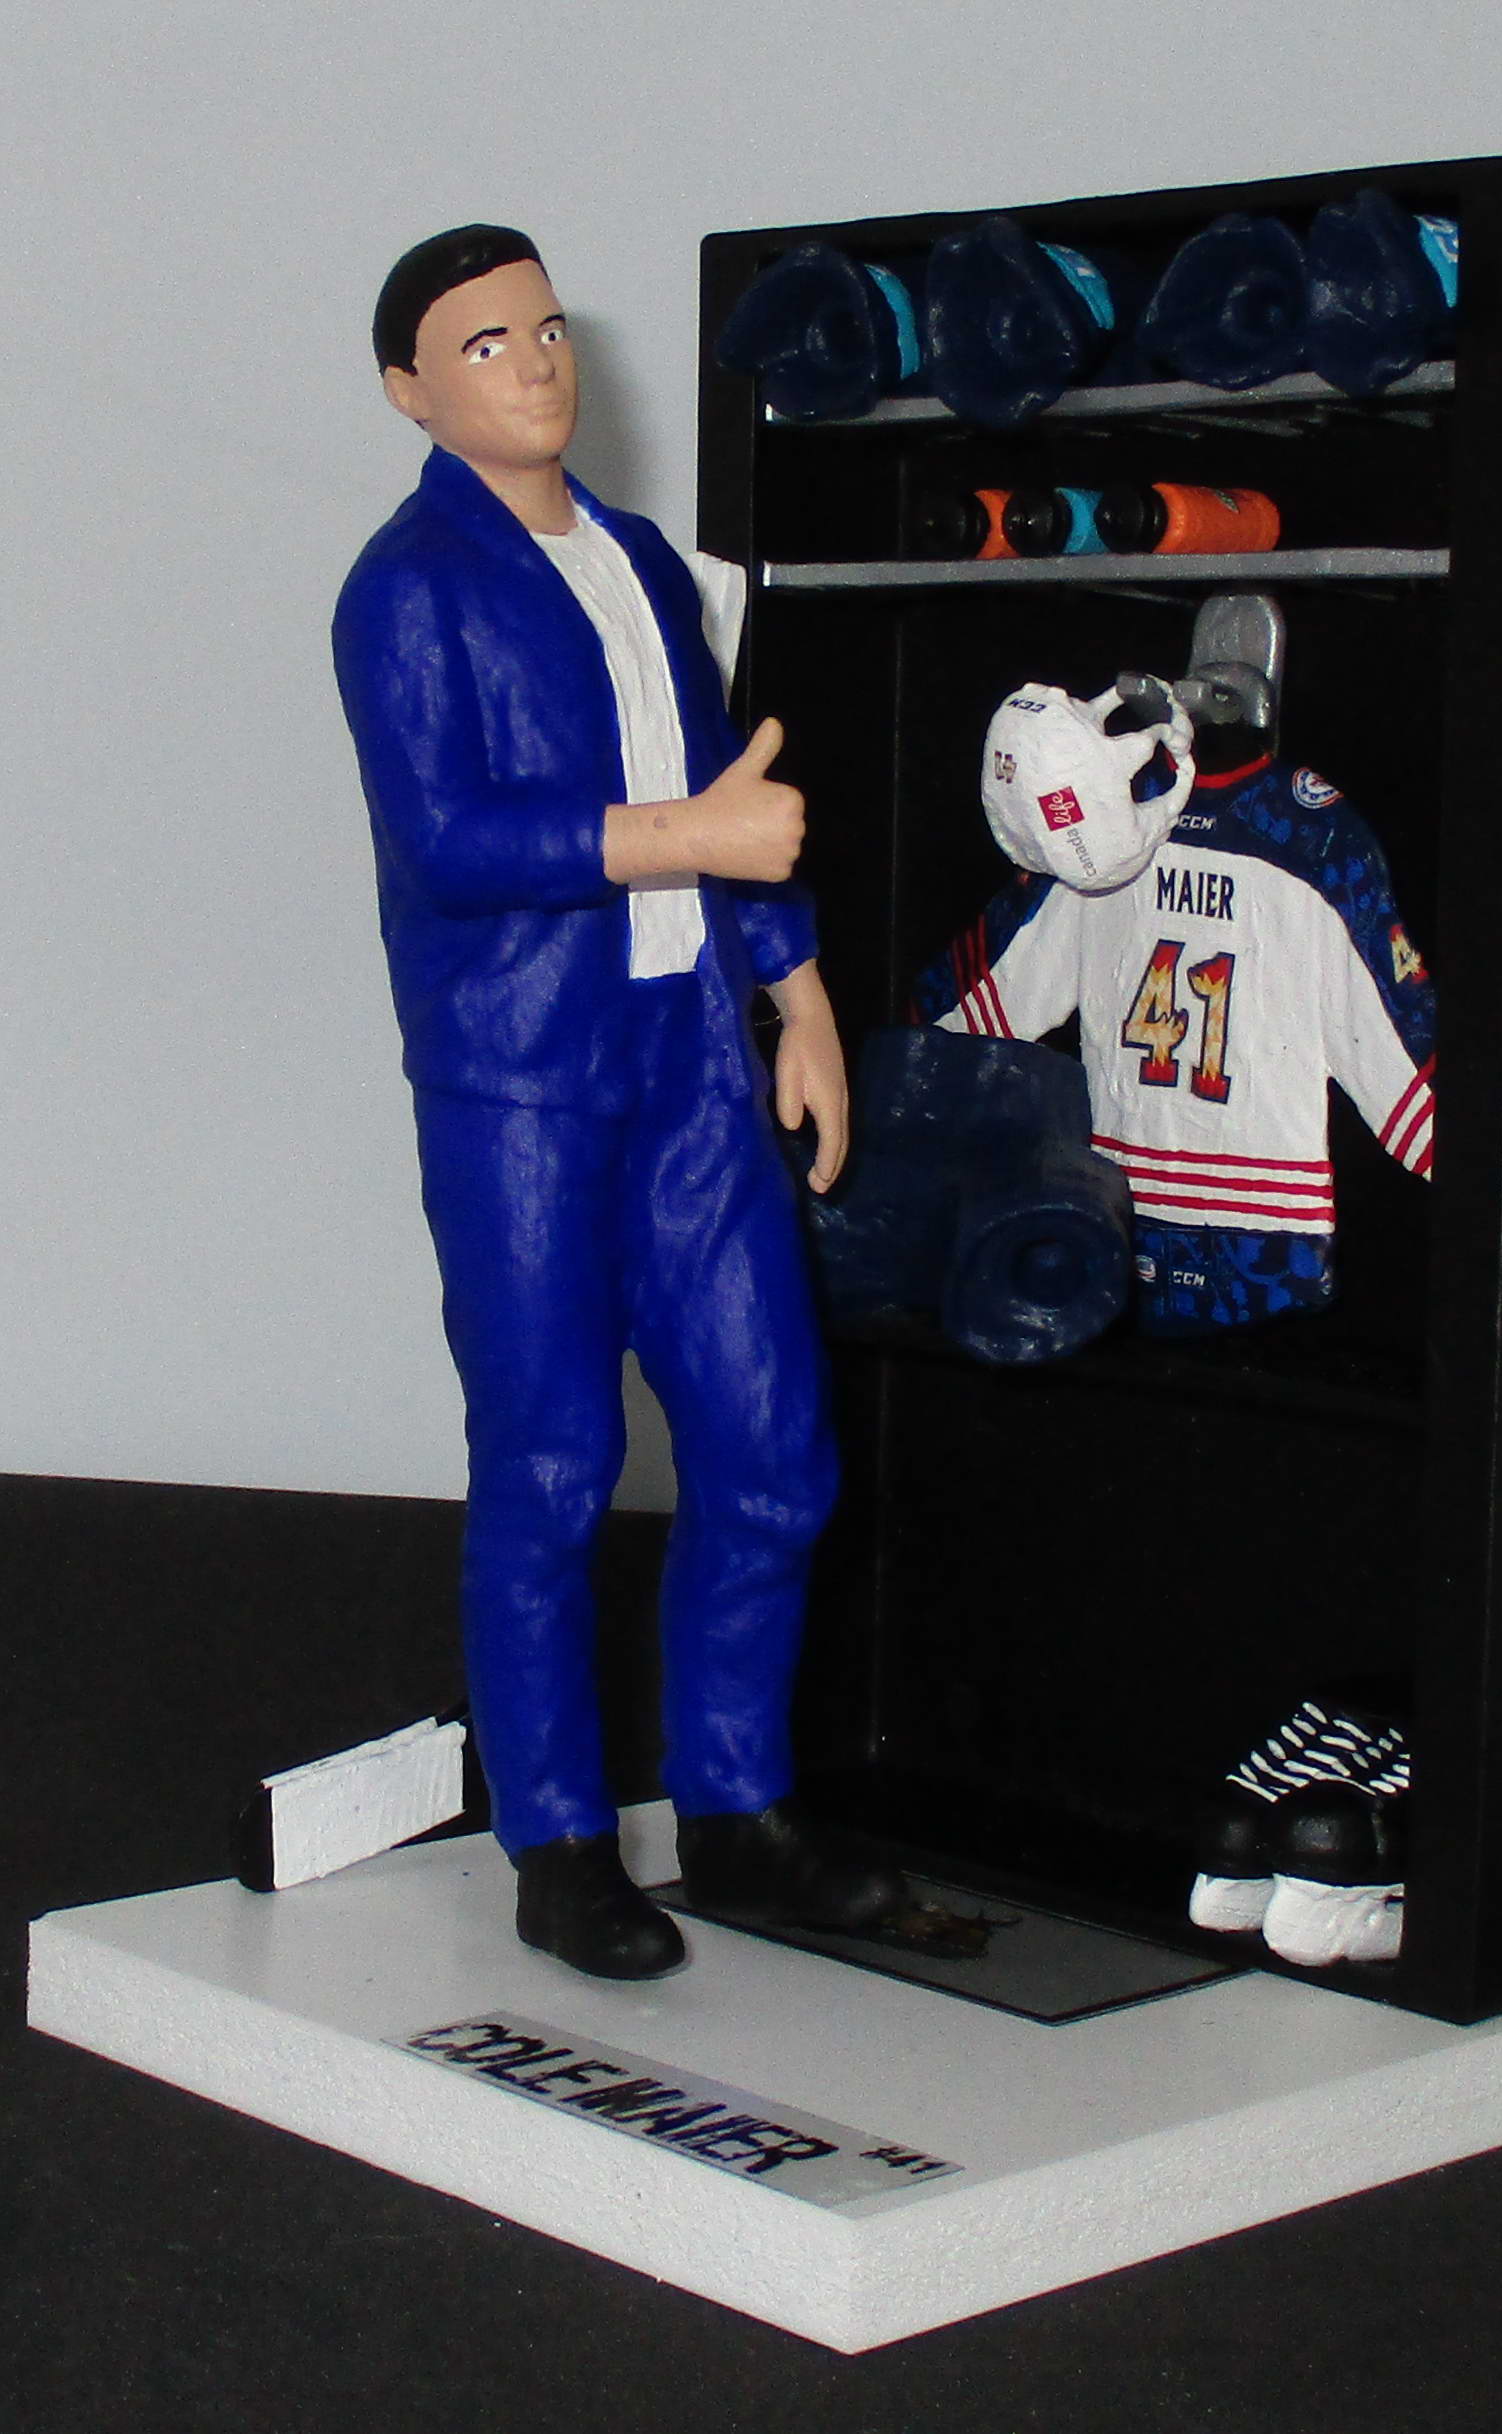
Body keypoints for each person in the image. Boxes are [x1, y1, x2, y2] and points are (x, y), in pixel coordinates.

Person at [333, 224, 901, 1979]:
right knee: (553, 1462)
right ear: (409, 391)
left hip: (691, 1066)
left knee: (769, 1447)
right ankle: (562, 1839)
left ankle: (735, 1806)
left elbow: (733, 787)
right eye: (483, 343)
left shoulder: (645, 561)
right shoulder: (406, 587)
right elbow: (447, 841)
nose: (533, 363)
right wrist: (685, 839)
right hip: (521, 1083)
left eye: (546, 328)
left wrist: (798, 992)